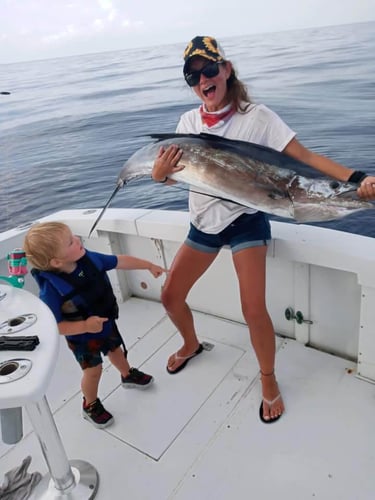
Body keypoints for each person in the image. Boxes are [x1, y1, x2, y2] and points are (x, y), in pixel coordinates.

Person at [151, 35, 375, 424]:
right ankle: (191, 344)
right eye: (193, 76)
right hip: (204, 220)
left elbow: (304, 157)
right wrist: (159, 177)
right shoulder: (187, 123)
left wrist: (358, 179)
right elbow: (181, 176)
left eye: (209, 69)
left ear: (226, 69)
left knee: (253, 308)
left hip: (245, 219)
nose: (202, 79)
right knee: (170, 295)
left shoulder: (258, 117)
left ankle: (268, 379)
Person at [24, 221, 166, 429]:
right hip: (82, 338)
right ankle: (90, 404)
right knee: (93, 371)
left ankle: (128, 375)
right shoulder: (51, 291)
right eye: (70, 242)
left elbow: (119, 261)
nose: (78, 240)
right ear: (55, 262)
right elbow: (54, 326)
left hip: (105, 322)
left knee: (116, 350)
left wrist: (148, 265)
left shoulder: (90, 260)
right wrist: (84, 326)